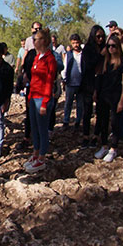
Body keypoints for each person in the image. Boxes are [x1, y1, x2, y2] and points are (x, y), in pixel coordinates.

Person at [23, 28, 57, 174]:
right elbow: (34, 80)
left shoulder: (50, 59)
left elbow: (49, 82)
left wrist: (44, 103)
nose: (34, 41)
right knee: (34, 128)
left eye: (36, 39)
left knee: (43, 129)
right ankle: (35, 153)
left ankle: (42, 158)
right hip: (33, 97)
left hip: (43, 99)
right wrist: (30, 96)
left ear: (43, 41)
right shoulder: (37, 58)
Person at [93, 33, 123, 162]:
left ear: (118, 47)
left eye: (113, 46)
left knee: (114, 123)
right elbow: (100, 76)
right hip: (104, 95)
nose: (111, 49)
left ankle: (113, 148)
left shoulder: (122, 63)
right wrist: (96, 92)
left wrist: (122, 100)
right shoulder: (105, 62)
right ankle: (104, 146)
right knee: (102, 121)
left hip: (115, 96)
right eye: (109, 46)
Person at [80, 25, 106, 148]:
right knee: (87, 111)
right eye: (98, 36)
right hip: (88, 83)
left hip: (101, 83)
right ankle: (85, 136)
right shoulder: (87, 49)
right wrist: (100, 55)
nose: (100, 39)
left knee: (100, 112)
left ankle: (96, 135)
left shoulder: (106, 48)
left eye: (102, 36)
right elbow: (89, 65)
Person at [62, 33, 84, 129]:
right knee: (68, 103)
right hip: (70, 82)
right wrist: (64, 79)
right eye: (74, 43)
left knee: (80, 104)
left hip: (81, 83)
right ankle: (66, 121)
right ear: (71, 43)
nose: (76, 45)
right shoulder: (69, 54)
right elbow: (64, 67)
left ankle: (78, 121)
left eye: (77, 42)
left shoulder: (83, 54)